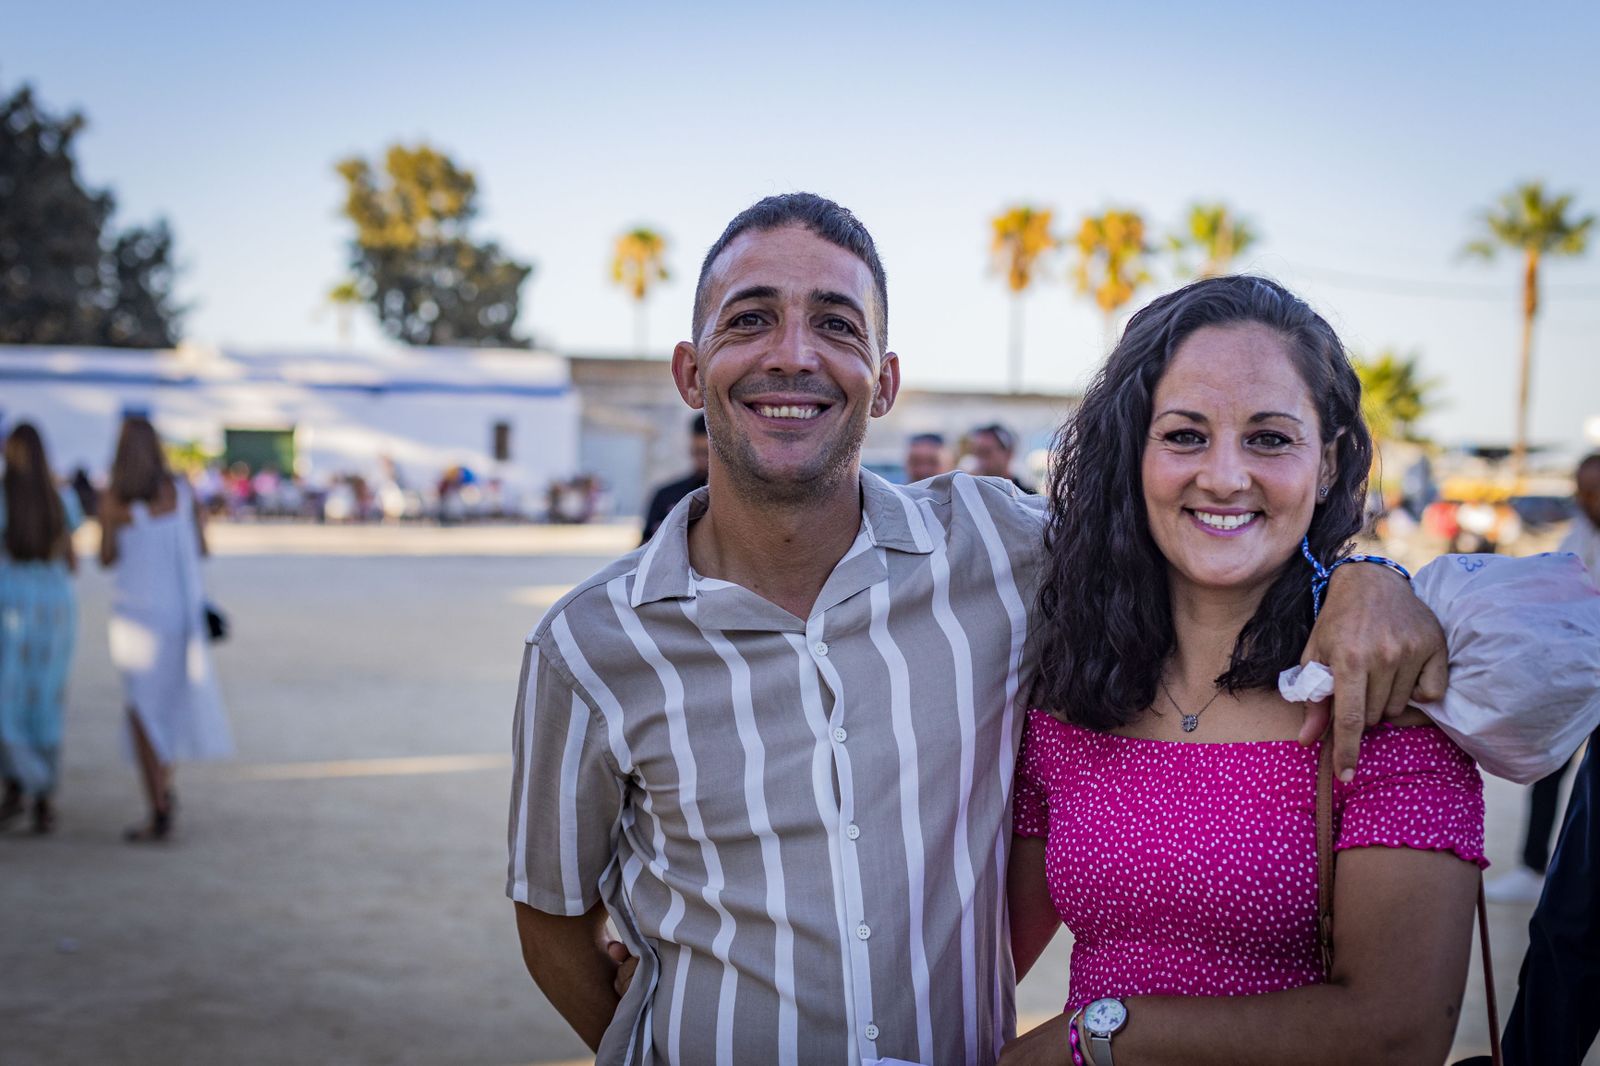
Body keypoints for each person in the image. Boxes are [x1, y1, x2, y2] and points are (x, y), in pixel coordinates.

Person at [506, 194, 1446, 1065]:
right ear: (688, 371)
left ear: (883, 383)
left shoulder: (1003, 552)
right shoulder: (589, 648)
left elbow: (1211, 533)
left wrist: (1372, 574)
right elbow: (552, 917)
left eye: (835, 324)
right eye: (750, 318)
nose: (792, 353)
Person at [1003, 276, 1485, 1065]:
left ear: (1327, 465)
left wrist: (1103, 1034)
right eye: (1185, 436)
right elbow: (984, 961)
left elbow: (1396, 1034)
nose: (1224, 477)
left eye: (1269, 438)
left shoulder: (1385, 691)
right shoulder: (1070, 692)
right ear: (1134, 454)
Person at [99, 417, 231, 842]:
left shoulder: (115, 502)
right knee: (170, 706)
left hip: (138, 618)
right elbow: (203, 549)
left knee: (142, 710)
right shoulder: (184, 493)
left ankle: (157, 803)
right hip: (180, 616)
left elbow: (105, 558)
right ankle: (163, 791)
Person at [1485, 453, 1600, 905]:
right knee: (1549, 769)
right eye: (1581, 488)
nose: (1586, 498)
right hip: (1577, 679)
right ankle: (1534, 868)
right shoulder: (1580, 532)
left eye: (1595, 489)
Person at [0, 423, 82, 835]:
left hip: (9, 605)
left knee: (8, 700)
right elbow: (73, 561)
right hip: (54, 610)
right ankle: (43, 797)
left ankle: (14, 787)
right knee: (45, 702)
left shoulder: (4, 497)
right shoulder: (60, 498)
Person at [639, 414, 709, 543]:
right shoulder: (666, 495)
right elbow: (645, 547)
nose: (702, 460)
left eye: (707, 453)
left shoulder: (733, 498)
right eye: (697, 452)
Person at [967, 423, 1037, 493]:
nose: (980, 459)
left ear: (1009, 454)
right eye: (977, 452)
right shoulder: (970, 492)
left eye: (986, 452)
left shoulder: (1027, 495)